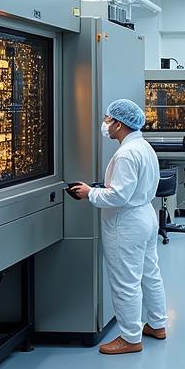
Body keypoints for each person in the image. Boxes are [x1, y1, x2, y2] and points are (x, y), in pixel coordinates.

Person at [70, 99, 165, 356]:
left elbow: (118, 197)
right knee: (149, 273)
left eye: (107, 119)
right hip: (145, 215)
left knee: (126, 282)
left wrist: (89, 193)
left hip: (126, 222)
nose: (105, 124)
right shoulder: (143, 147)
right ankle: (157, 324)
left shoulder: (125, 153)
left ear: (119, 123)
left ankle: (130, 338)